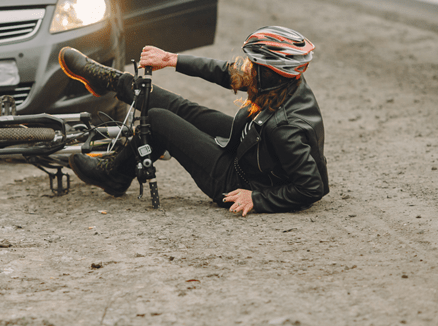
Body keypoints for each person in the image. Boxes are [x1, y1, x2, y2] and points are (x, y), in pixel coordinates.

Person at [58, 26, 329, 215]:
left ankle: (113, 176)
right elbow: (226, 72)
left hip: (236, 180)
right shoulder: (283, 83)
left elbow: (312, 186)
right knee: (183, 107)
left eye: (254, 64)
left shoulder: (285, 128)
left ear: (272, 72)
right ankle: (115, 81)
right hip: (252, 147)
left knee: (159, 119)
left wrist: (256, 199)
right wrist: (171, 59)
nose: (248, 67)